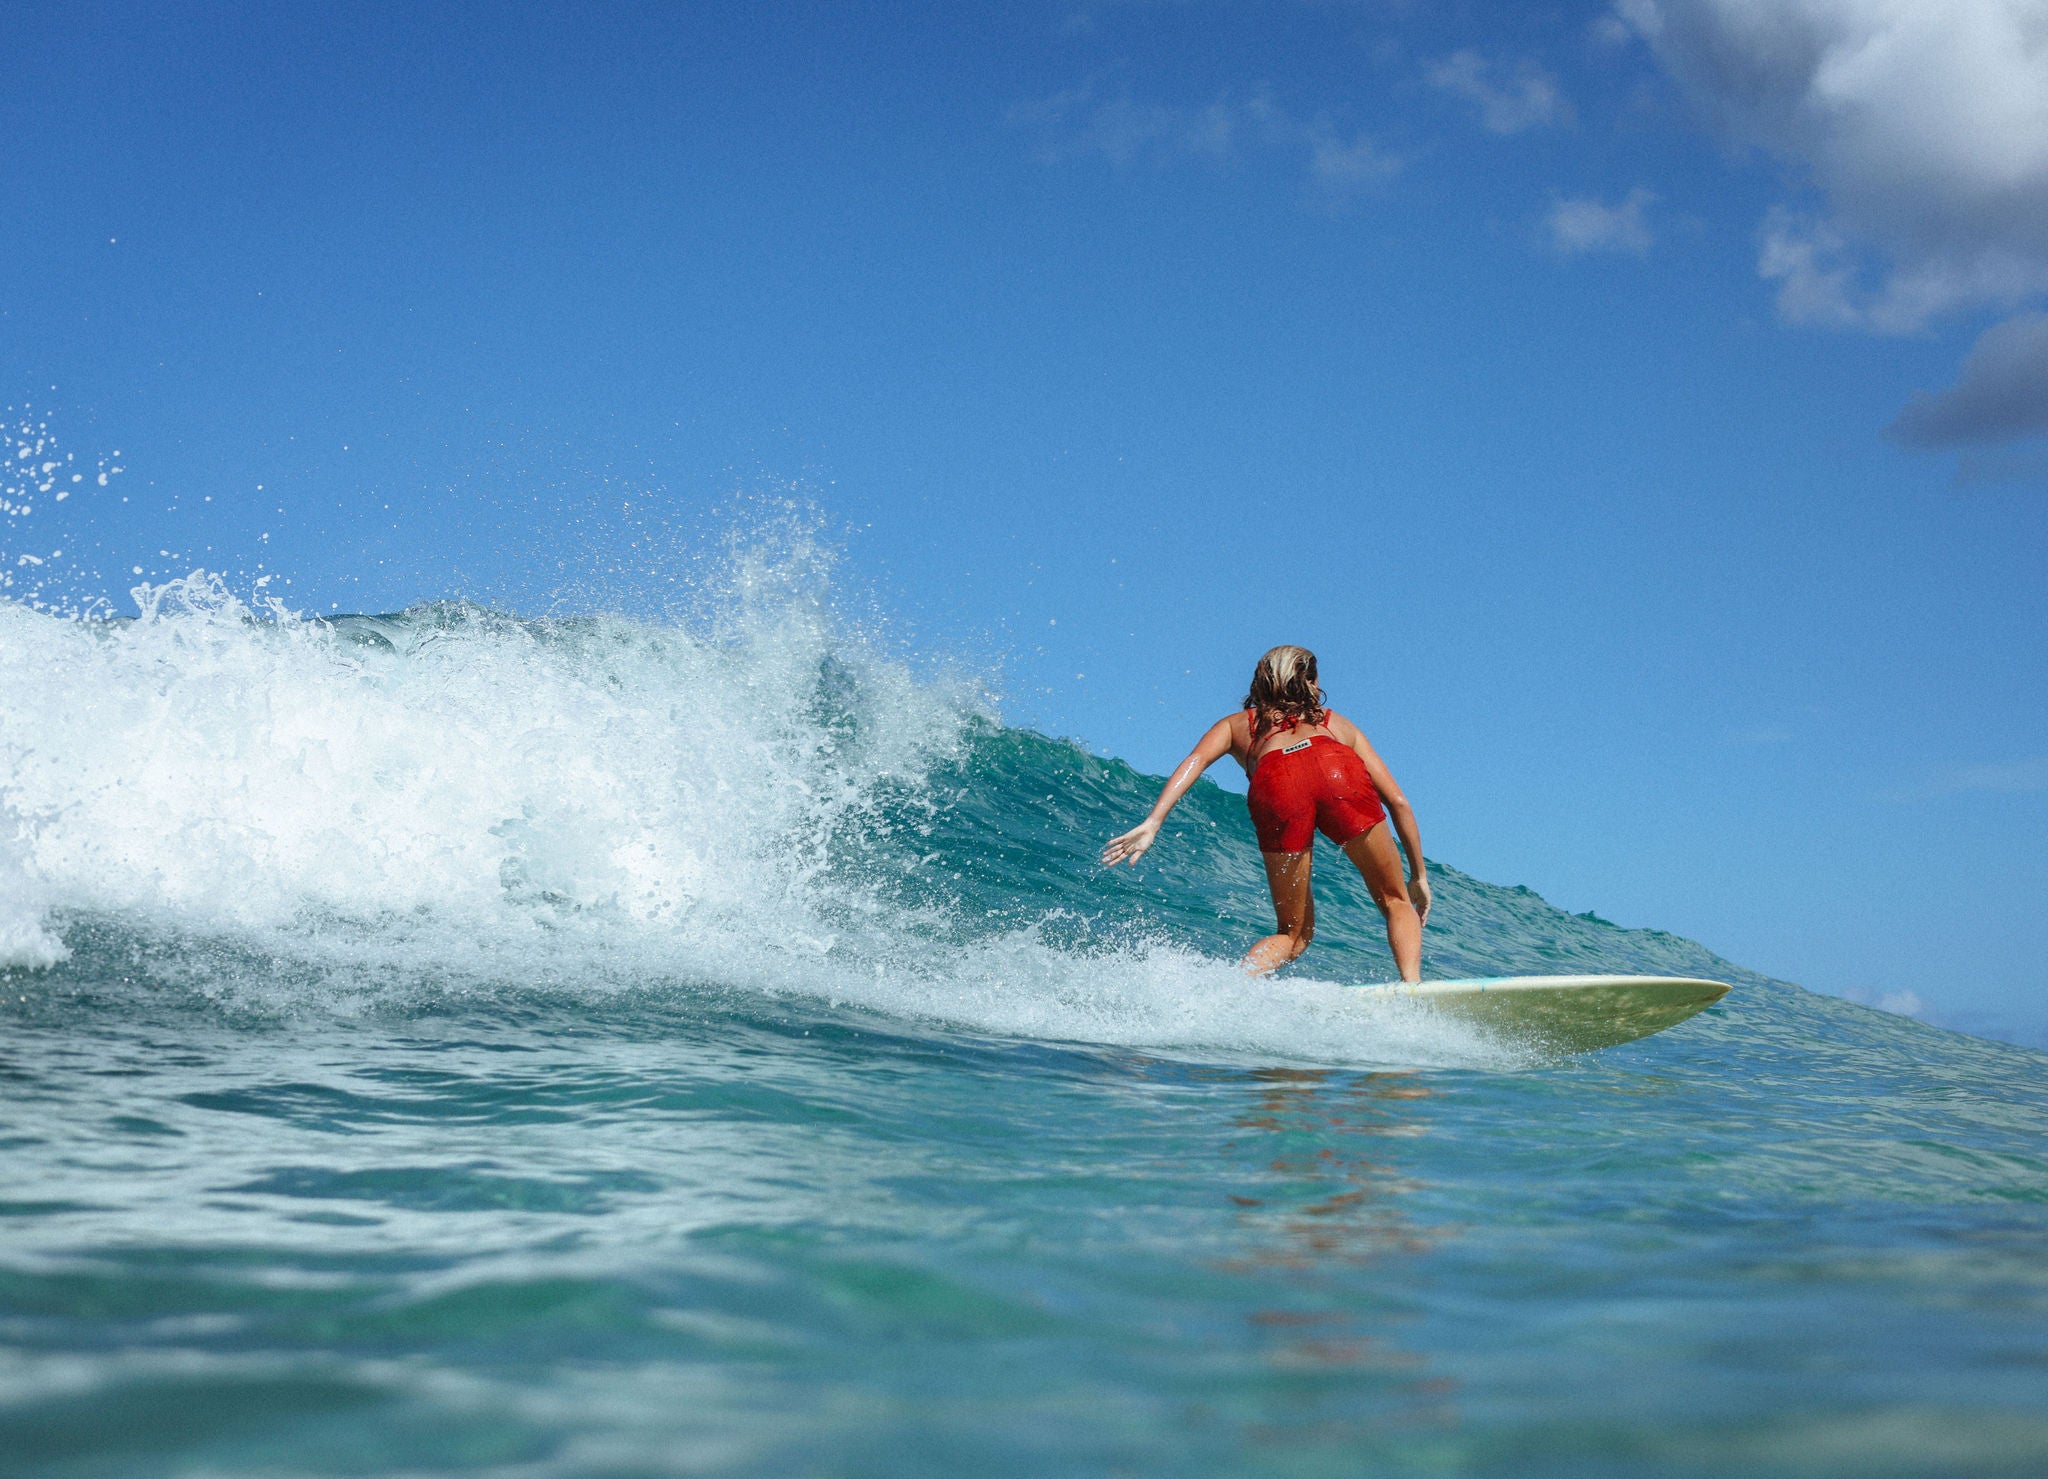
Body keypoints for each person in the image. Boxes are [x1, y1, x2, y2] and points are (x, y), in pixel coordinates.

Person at [1101, 645, 1431, 981]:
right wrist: (1418, 875)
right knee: (1396, 901)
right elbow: (1398, 802)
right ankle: (1412, 988)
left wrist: (1153, 822)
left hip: (1277, 782)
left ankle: (1235, 988)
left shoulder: (1235, 726)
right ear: (1312, 682)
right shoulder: (1337, 725)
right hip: (1335, 768)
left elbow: (1194, 762)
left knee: (1293, 936)